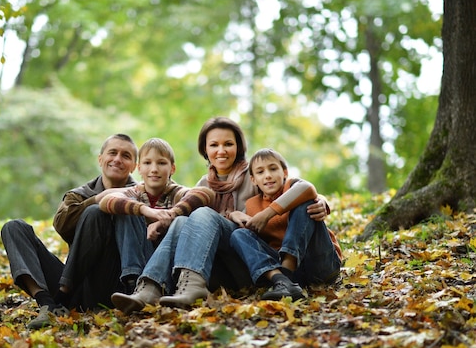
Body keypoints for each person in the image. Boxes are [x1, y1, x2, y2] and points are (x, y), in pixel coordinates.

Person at [111, 116, 330, 314]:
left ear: (238, 147)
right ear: (205, 150)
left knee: (205, 214)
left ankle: (193, 285)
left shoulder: (255, 174)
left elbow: (295, 190)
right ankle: (151, 286)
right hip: (223, 262)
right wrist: (161, 221)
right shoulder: (202, 185)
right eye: (214, 145)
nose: (221, 151)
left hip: (252, 256)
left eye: (228, 144)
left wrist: (321, 200)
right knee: (181, 221)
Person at [0, 133, 139, 329]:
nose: (117, 159)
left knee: (95, 213)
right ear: (100, 159)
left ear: (134, 165)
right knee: (13, 228)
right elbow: (62, 226)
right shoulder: (79, 194)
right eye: (112, 153)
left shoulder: (143, 197)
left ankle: (61, 298)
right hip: (74, 283)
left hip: (111, 286)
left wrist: (110, 204)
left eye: (126, 156)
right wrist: (98, 198)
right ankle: (47, 304)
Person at [99, 138, 214, 312]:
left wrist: (169, 216)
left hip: (168, 268)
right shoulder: (135, 192)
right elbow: (106, 201)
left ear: (172, 169)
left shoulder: (176, 193)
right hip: (140, 262)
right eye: (147, 163)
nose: (154, 169)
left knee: (182, 221)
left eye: (161, 163)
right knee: (126, 210)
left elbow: (205, 193)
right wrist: (146, 210)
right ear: (139, 168)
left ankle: (150, 288)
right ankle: (133, 282)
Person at [229, 148, 342, 300]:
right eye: (260, 172)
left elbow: (307, 188)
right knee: (238, 234)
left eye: (273, 169)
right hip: (288, 273)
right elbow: (246, 235)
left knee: (304, 202)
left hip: (320, 265)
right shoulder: (251, 205)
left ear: (285, 172)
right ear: (253, 180)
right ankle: (281, 280)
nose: (268, 175)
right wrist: (232, 214)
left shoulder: (293, 186)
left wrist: (267, 214)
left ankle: (287, 273)